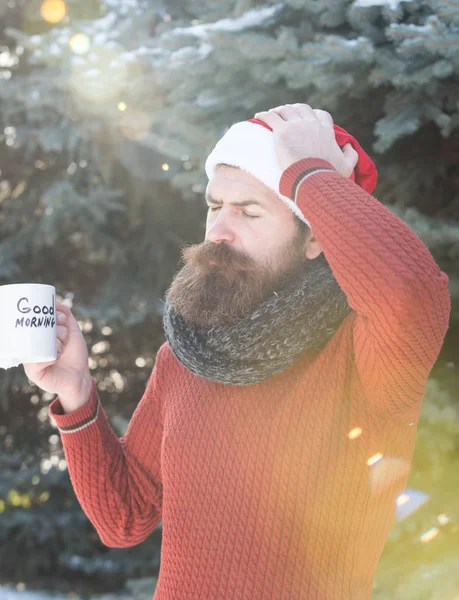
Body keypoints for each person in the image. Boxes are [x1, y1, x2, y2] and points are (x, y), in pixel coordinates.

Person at [24, 104, 451, 599]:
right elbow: (125, 518)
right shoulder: (187, 356)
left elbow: (412, 292)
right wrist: (76, 393)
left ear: (314, 237)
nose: (219, 231)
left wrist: (308, 172)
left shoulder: (364, 351)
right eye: (214, 206)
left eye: (248, 211)